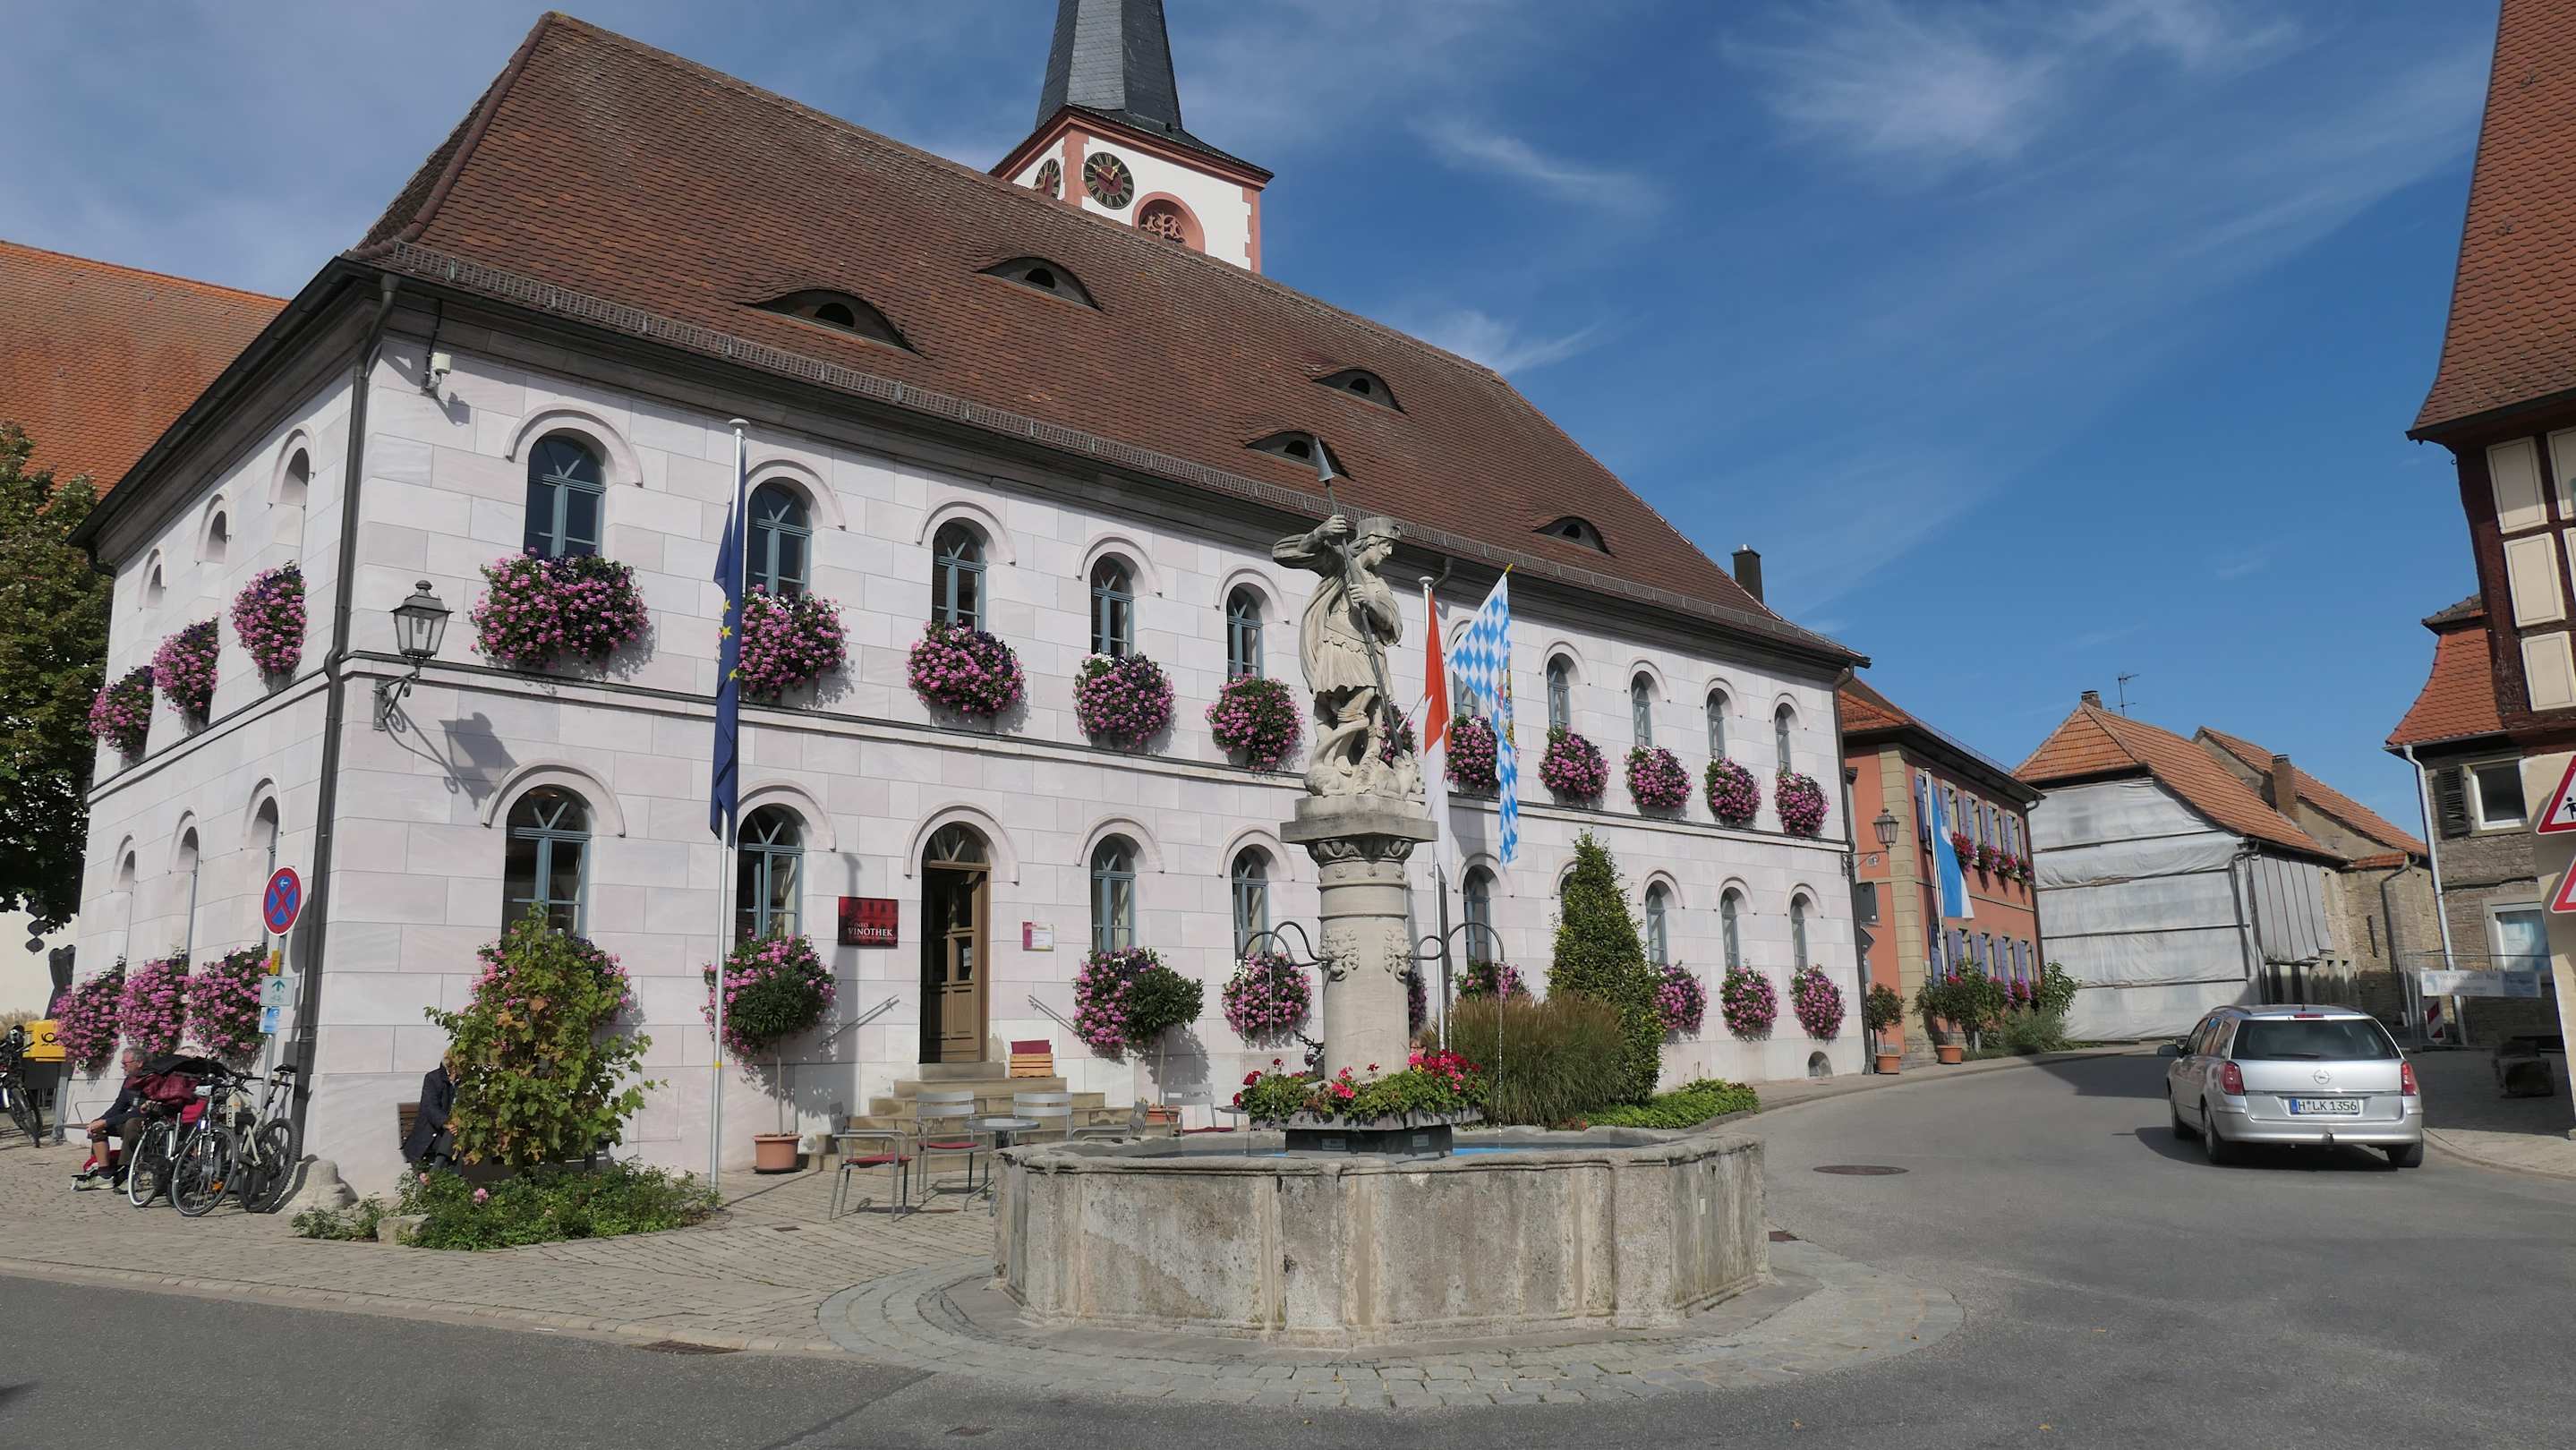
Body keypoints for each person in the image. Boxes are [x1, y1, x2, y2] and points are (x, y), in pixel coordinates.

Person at [73, 1047, 147, 1189]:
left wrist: (107, 1122)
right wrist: (100, 1121)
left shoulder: (151, 1080)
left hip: (146, 1121)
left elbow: (141, 1112)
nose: (123, 1066)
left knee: (131, 1124)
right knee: (97, 1127)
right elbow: (119, 1107)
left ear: (139, 1063)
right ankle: (104, 1174)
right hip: (130, 1120)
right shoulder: (129, 1081)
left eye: (125, 1063)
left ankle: (127, 1172)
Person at [401, 1051, 462, 1167]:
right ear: (453, 1065)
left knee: (459, 1135)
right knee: (452, 1133)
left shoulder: (464, 1082)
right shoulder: (433, 1078)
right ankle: (437, 1173)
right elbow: (430, 1107)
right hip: (432, 1133)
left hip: (453, 1133)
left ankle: (440, 1174)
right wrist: (446, 1123)